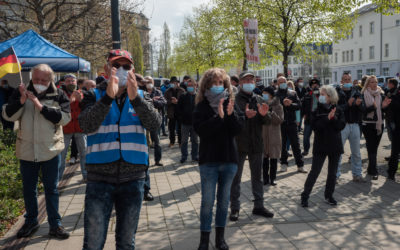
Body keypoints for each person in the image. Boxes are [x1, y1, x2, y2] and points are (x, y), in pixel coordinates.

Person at [78, 49, 161, 249]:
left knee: (126, 242)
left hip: (133, 178)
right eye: (116, 66)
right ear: (107, 69)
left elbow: (155, 125)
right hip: (100, 179)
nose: (121, 70)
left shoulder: (141, 95)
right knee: (93, 242)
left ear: (133, 70)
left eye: (126, 66)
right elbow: (86, 125)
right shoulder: (92, 94)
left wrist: (137, 100)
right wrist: (107, 98)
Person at [2, 64, 71, 239]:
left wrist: (40, 106)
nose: (40, 82)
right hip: (26, 150)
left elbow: (64, 119)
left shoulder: (59, 94)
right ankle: (31, 220)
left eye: (44, 80)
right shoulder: (21, 91)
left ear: (51, 79)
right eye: (36, 79)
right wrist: (22, 101)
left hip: (50, 150)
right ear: (31, 78)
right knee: (29, 189)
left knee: (52, 189)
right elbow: (7, 115)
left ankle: (55, 224)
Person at [193, 68, 244, 250]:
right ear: (206, 85)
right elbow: (201, 130)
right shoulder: (202, 106)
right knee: (207, 203)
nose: (217, 86)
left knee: (223, 203)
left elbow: (238, 129)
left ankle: (220, 239)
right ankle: (204, 240)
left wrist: (229, 116)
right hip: (209, 162)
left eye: (220, 83)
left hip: (229, 160)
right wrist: (219, 118)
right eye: (213, 83)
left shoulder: (231, 102)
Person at [230, 70, 274, 222]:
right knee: (236, 178)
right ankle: (235, 208)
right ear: (240, 83)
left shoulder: (260, 98)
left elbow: (268, 121)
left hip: (256, 143)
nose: (249, 82)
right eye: (246, 80)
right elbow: (231, 121)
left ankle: (259, 206)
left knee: (258, 177)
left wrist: (264, 115)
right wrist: (244, 115)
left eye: (251, 80)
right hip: (239, 143)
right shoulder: (234, 99)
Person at [301, 85, 345, 207]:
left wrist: (334, 118)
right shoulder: (316, 110)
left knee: (332, 173)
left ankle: (329, 195)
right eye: (320, 94)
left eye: (323, 94)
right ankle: (305, 196)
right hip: (320, 146)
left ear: (330, 97)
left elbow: (341, 126)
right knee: (315, 171)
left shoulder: (339, 110)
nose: (320, 97)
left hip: (335, 146)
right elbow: (315, 127)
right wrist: (327, 118)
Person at [335, 73, 365, 182]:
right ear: (341, 81)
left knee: (356, 152)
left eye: (349, 80)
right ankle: (335, 175)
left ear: (351, 81)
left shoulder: (356, 92)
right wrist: (348, 104)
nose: (347, 82)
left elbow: (363, 109)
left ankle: (357, 174)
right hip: (342, 126)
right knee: (338, 152)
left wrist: (358, 104)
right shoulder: (337, 93)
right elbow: (336, 109)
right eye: (345, 80)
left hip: (355, 124)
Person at [361, 75, 391, 180]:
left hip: (379, 123)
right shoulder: (363, 94)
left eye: (376, 82)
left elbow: (383, 111)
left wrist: (384, 106)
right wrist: (372, 107)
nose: (374, 84)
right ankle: (374, 171)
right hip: (368, 124)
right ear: (368, 84)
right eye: (372, 82)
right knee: (371, 147)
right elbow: (363, 111)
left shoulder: (381, 94)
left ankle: (370, 168)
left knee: (374, 147)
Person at [59, 74, 87, 182]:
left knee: (84, 152)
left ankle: (85, 175)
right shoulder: (61, 94)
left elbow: (87, 107)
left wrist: (81, 100)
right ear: (64, 83)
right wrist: (70, 100)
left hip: (80, 128)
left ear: (76, 82)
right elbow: (59, 108)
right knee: (62, 154)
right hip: (66, 127)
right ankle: (58, 177)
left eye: (73, 81)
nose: (71, 83)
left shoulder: (82, 93)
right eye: (68, 81)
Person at [275, 76, 306, 173]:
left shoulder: (292, 93)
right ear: (278, 84)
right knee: (282, 145)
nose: (283, 83)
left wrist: (291, 104)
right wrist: (282, 103)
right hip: (281, 123)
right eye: (280, 82)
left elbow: (299, 105)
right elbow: (273, 107)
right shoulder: (275, 94)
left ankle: (300, 165)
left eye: (284, 81)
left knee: (296, 144)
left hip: (292, 122)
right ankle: (283, 164)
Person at [262, 86, 284, 186]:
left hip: (274, 135)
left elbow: (279, 120)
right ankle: (265, 178)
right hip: (263, 135)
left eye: (266, 93)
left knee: (274, 158)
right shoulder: (261, 104)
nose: (264, 95)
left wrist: (272, 112)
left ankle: (273, 178)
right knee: (264, 158)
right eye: (263, 93)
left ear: (271, 94)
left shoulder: (278, 106)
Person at [145, 76, 166, 166]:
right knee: (145, 142)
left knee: (157, 141)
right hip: (143, 120)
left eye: (150, 81)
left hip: (154, 120)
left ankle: (158, 160)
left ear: (153, 82)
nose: (149, 83)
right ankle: (145, 161)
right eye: (147, 81)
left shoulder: (158, 92)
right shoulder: (141, 92)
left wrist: (153, 101)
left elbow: (163, 102)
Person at [177, 77, 199, 163]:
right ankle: (184, 156)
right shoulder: (183, 96)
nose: (189, 87)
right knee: (184, 141)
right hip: (185, 123)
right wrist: (181, 118)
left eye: (191, 85)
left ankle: (195, 156)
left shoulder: (198, 96)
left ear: (195, 86)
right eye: (188, 85)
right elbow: (178, 109)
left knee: (195, 141)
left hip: (195, 123)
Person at [301, 78, 320, 156]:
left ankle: (317, 151)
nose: (314, 86)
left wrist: (318, 94)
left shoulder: (322, 94)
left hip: (318, 119)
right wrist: (301, 118)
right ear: (310, 86)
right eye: (313, 85)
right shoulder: (307, 95)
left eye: (316, 85)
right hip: (308, 118)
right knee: (306, 136)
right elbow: (302, 107)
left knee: (318, 137)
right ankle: (306, 150)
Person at [164, 76, 185, 147]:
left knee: (180, 129)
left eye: (175, 82)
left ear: (177, 83)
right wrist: (171, 102)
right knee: (171, 129)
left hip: (180, 112)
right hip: (171, 112)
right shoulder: (167, 91)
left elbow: (185, 101)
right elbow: (164, 101)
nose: (173, 84)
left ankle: (180, 142)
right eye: (172, 83)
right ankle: (172, 142)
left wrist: (177, 101)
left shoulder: (182, 91)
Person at [386, 78, 400, 181]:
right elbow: (392, 107)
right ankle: (391, 172)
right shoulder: (395, 93)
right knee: (395, 151)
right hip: (397, 125)